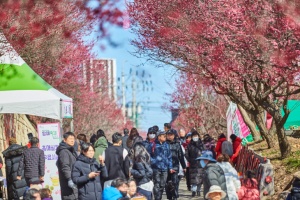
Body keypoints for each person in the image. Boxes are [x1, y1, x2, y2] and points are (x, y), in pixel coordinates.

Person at [148, 131, 173, 200]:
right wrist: (154, 161)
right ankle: (157, 198)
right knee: (156, 184)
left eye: (165, 136)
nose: (165, 137)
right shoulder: (152, 145)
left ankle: (159, 196)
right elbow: (148, 156)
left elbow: (169, 156)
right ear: (159, 137)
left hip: (165, 168)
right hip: (156, 168)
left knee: (162, 185)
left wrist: (170, 167)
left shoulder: (167, 145)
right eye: (163, 136)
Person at [56, 132, 78, 200]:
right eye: (70, 139)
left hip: (73, 178)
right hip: (67, 181)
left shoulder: (71, 150)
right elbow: (65, 166)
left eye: (73, 139)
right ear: (65, 140)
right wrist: (69, 178)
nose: (72, 140)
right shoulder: (64, 151)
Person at [166, 129, 186, 200]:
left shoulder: (177, 144)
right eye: (168, 135)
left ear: (174, 135)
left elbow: (181, 156)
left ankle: (175, 196)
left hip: (175, 166)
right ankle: (169, 197)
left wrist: (184, 166)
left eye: (171, 135)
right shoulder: (165, 144)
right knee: (167, 183)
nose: (169, 136)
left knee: (175, 182)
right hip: (166, 166)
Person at [185, 131, 204, 197]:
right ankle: (193, 191)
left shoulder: (202, 144)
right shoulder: (189, 145)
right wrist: (190, 160)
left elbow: (205, 153)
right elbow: (186, 154)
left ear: (198, 136)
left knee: (200, 178)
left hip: (201, 163)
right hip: (193, 164)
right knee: (193, 178)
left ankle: (198, 191)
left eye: (196, 136)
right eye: (194, 136)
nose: (195, 137)